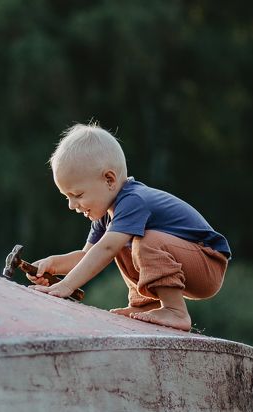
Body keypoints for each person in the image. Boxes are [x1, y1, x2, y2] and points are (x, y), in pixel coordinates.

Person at [29, 123, 231, 332]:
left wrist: (66, 286)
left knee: (139, 242)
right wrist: (53, 264)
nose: (72, 205)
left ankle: (176, 311)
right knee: (122, 242)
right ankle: (145, 304)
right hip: (184, 261)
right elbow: (87, 256)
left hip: (207, 262)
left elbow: (106, 250)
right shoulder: (106, 216)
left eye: (78, 195)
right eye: (67, 197)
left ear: (109, 179)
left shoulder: (133, 200)